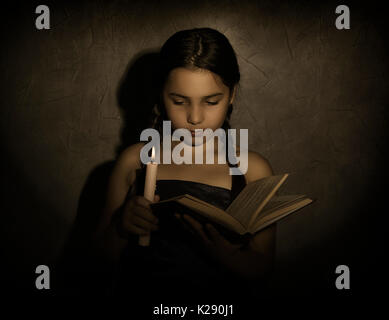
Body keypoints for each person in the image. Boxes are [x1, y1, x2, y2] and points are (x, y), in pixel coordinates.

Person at [93, 28, 276, 304]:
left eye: (211, 101)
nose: (194, 117)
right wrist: (121, 227)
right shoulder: (135, 160)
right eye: (178, 101)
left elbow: (263, 267)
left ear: (232, 95)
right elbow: (98, 257)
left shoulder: (252, 169)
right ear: (160, 95)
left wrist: (229, 257)